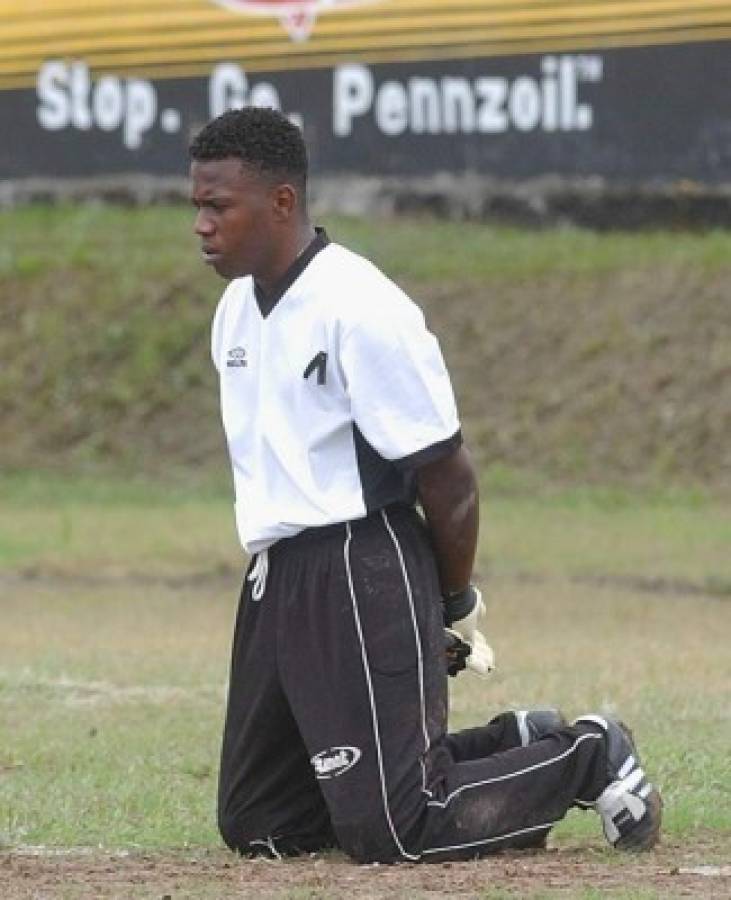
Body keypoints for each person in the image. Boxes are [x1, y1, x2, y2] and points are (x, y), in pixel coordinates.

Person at [188, 107, 662, 863]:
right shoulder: (234, 310)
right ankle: (513, 740)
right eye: (197, 207)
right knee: (261, 824)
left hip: (358, 559)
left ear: (281, 202)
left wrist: (448, 600)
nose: (202, 225)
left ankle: (587, 755)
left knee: (396, 830)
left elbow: (447, 475)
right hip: (276, 576)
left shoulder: (361, 306)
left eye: (218, 206)